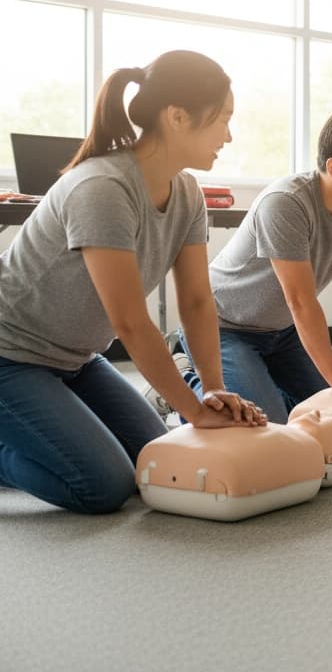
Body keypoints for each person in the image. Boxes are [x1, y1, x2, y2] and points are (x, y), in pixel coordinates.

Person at [0, 50, 266, 515]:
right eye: (223, 119)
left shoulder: (186, 194)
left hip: (75, 359)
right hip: (10, 356)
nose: (229, 134)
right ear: (178, 116)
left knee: (153, 460)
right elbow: (130, 322)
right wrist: (196, 412)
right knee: (102, 485)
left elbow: (199, 303)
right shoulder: (102, 187)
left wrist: (213, 390)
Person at [181, 109, 332, 423]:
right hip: (223, 327)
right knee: (265, 426)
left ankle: (259, 385)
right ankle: (186, 379)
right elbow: (300, 300)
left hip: (283, 331)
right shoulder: (286, 202)